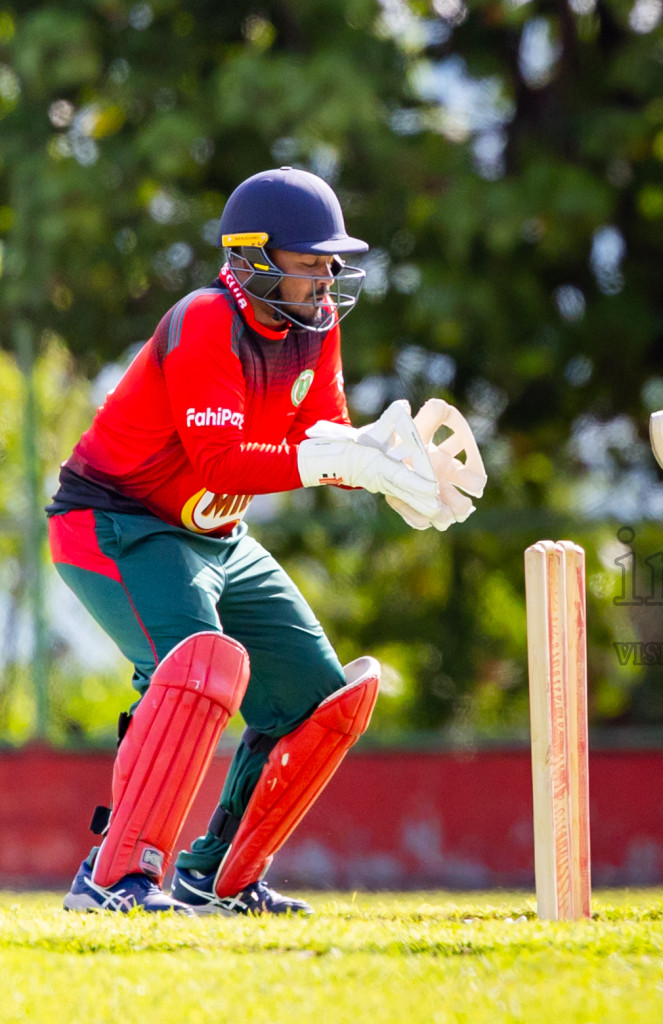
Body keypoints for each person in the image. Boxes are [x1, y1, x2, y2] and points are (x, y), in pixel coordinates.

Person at [47, 167, 477, 915]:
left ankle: (216, 877)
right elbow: (224, 459)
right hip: (117, 522)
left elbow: (322, 437)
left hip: (217, 534)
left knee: (321, 700)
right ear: (251, 258)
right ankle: (114, 874)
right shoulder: (207, 319)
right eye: (309, 263)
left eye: (330, 264)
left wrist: (392, 466)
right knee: (193, 670)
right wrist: (340, 458)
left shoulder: (317, 329)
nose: (325, 280)